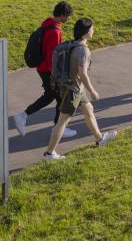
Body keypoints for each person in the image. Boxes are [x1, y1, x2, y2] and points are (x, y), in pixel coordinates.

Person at [43, 18, 116, 160]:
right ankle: (49, 153)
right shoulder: (83, 50)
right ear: (86, 33)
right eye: (92, 29)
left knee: (89, 110)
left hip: (73, 87)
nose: (93, 31)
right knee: (62, 122)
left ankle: (100, 139)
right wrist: (92, 90)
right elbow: (82, 73)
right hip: (73, 90)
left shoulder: (73, 44)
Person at [12, 1, 77, 139]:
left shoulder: (47, 24)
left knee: (51, 95)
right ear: (63, 15)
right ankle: (58, 128)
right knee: (61, 97)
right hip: (49, 70)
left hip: (42, 68)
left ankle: (24, 116)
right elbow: (52, 55)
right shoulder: (54, 32)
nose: (69, 19)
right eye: (69, 16)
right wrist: (57, 75)